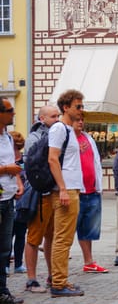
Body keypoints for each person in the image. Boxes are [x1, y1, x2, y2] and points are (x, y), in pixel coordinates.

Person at [48, 89, 86, 297]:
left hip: (72, 187)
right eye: (77, 106)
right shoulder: (59, 129)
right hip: (65, 189)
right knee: (62, 238)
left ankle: (60, 279)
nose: (81, 110)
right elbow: (52, 159)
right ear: (66, 107)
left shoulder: (70, 130)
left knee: (65, 238)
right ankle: (58, 283)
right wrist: (62, 188)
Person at [23, 105, 59, 293]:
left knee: (52, 237)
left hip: (54, 192)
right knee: (34, 237)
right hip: (40, 193)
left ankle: (52, 275)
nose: (57, 119)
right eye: (53, 116)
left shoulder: (57, 134)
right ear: (42, 118)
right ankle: (31, 279)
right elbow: (31, 166)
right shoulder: (35, 137)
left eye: (58, 115)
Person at [72, 116, 108, 274]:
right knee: (67, 231)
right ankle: (56, 269)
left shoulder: (87, 138)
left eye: (82, 120)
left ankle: (89, 261)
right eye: (77, 120)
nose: (81, 122)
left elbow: (95, 162)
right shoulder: (67, 139)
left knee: (88, 229)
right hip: (75, 191)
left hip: (91, 189)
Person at [0, 96, 24, 304]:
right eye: (9, 110)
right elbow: (8, 165)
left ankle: (2, 290)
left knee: (5, 248)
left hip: (8, 198)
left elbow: (12, 162)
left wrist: (18, 181)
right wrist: (7, 170)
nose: (13, 113)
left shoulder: (7, 138)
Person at [9, 131, 27, 274]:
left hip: (22, 203)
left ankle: (19, 264)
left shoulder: (23, 161)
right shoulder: (6, 161)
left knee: (20, 234)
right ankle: (6, 264)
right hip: (9, 200)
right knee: (8, 235)